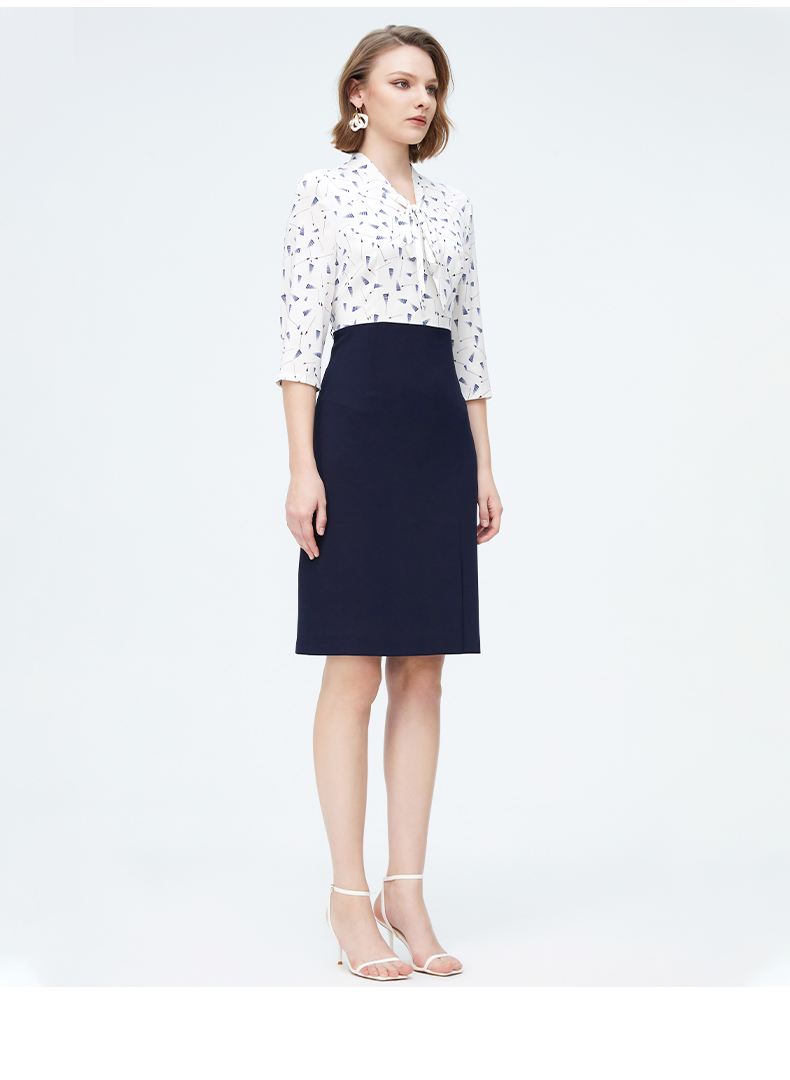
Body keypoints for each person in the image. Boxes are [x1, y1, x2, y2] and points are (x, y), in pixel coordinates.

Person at [276, 24, 503, 981]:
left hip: (438, 441)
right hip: (356, 435)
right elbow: (298, 340)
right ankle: (347, 897)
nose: (421, 99)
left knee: (424, 672)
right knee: (353, 670)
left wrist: (484, 466)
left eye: (432, 86)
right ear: (358, 93)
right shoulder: (322, 192)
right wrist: (302, 467)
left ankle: (405, 890)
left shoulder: (453, 209)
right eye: (403, 82)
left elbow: (472, 345)